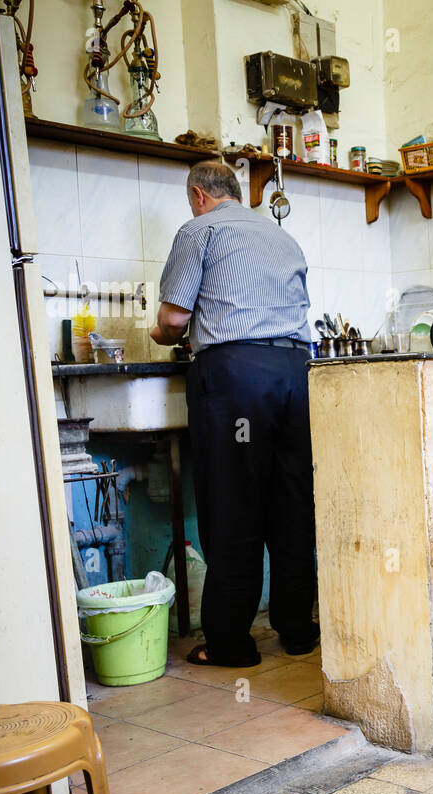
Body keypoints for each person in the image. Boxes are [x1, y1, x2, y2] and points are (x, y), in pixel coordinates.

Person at [149, 160, 319, 667]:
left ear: (199, 195)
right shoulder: (280, 234)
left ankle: (231, 644)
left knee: (232, 506)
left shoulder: (199, 230)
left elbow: (174, 320)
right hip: (295, 373)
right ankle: (297, 630)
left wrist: (160, 336)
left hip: (235, 376)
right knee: (291, 506)